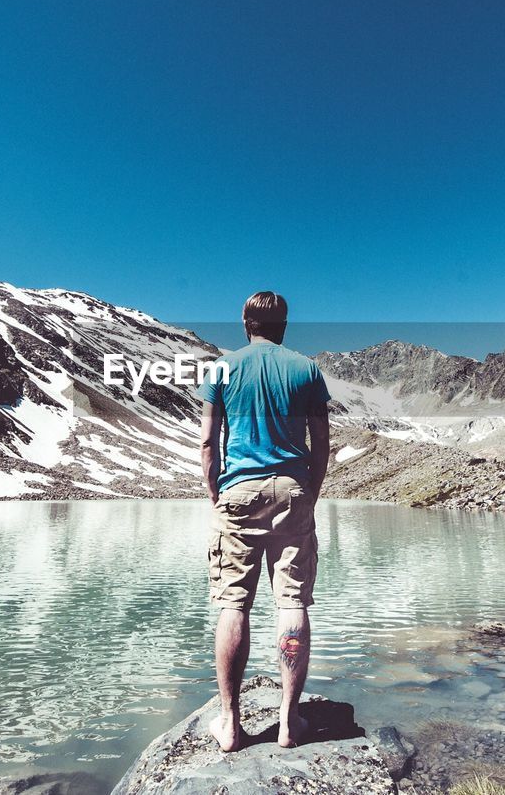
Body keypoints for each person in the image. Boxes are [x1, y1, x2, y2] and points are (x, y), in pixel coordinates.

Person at [196, 291, 331, 752]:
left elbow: (209, 442)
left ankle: (230, 725)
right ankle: (289, 723)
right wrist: (309, 493)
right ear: (285, 324)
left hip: (238, 491)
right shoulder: (307, 369)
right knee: (291, 602)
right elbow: (321, 441)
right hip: (292, 489)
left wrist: (216, 491)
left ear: (244, 321)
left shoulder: (221, 369)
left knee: (234, 604)